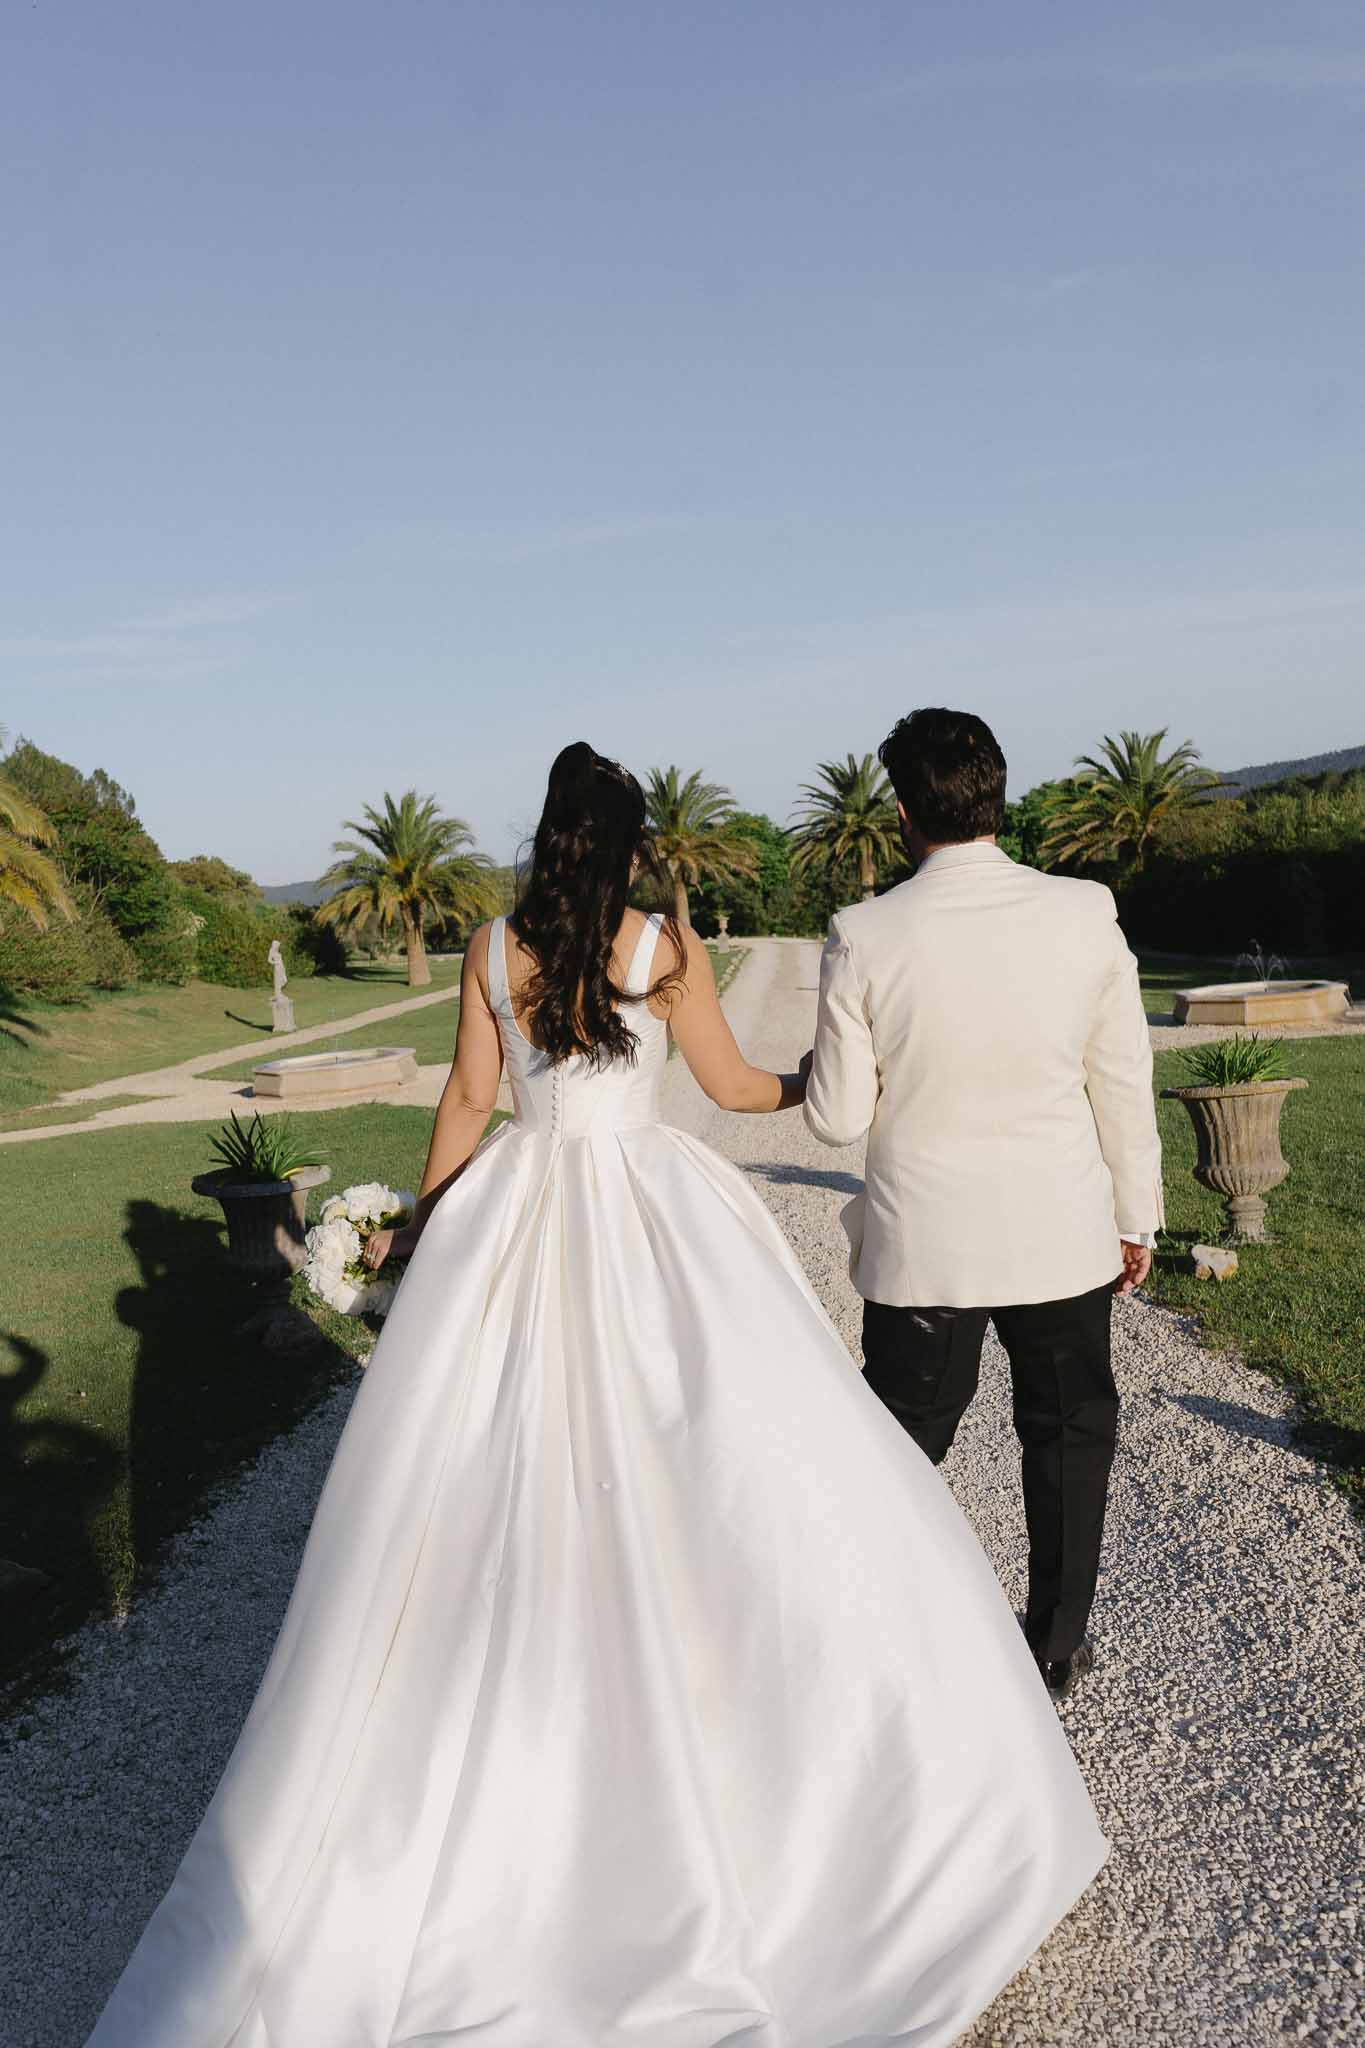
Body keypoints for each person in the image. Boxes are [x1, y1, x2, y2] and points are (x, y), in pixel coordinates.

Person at [86, 743, 1106, 2048]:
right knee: (735, 1467)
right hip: (655, 1215)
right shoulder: (662, 945)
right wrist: (838, 1083)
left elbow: (465, 1101)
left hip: (521, 1209)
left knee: (488, 1471)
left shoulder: (491, 947)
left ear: (546, 840)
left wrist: (422, 1230)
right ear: (626, 847)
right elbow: (736, 1091)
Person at [805, 708, 1164, 1704]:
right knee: (1067, 1428)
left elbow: (836, 1119)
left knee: (901, 1448)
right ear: (997, 793)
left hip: (927, 1246)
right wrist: (1136, 1214)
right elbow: (1121, 1078)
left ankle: (889, 1639)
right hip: (1062, 1233)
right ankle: (1055, 1647)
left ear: (905, 812)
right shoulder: (1084, 909)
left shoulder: (863, 932)